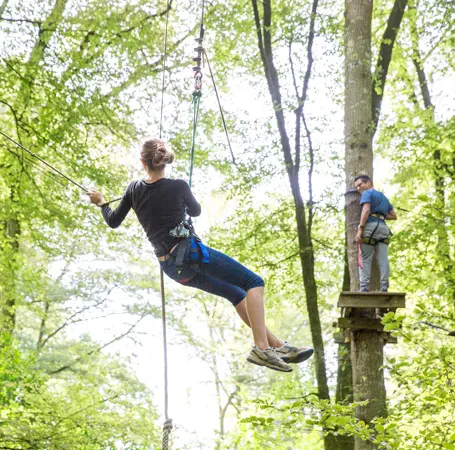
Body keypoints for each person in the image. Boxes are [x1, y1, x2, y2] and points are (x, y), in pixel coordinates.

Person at [87, 138, 313, 373]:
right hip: (190, 255)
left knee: (236, 294)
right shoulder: (179, 186)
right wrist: (182, 199)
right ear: (165, 161)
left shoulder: (133, 189)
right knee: (254, 282)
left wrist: (102, 203)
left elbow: (113, 220)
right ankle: (262, 348)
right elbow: (196, 211)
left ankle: (278, 346)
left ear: (143, 162)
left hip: (174, 269)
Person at [353, 175, 397, 292]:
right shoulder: (384, 198)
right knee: (383, 259)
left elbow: (366, 210)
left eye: (360, 184)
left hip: (370, 228)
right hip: (383, 228)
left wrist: (360, 228)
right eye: (357, 187)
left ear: (368, 183)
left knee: (365, 258)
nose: (358, 188)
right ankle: (384, 286)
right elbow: (393, 216)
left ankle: (364, 287)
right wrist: (380, 214)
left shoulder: (367, 193)